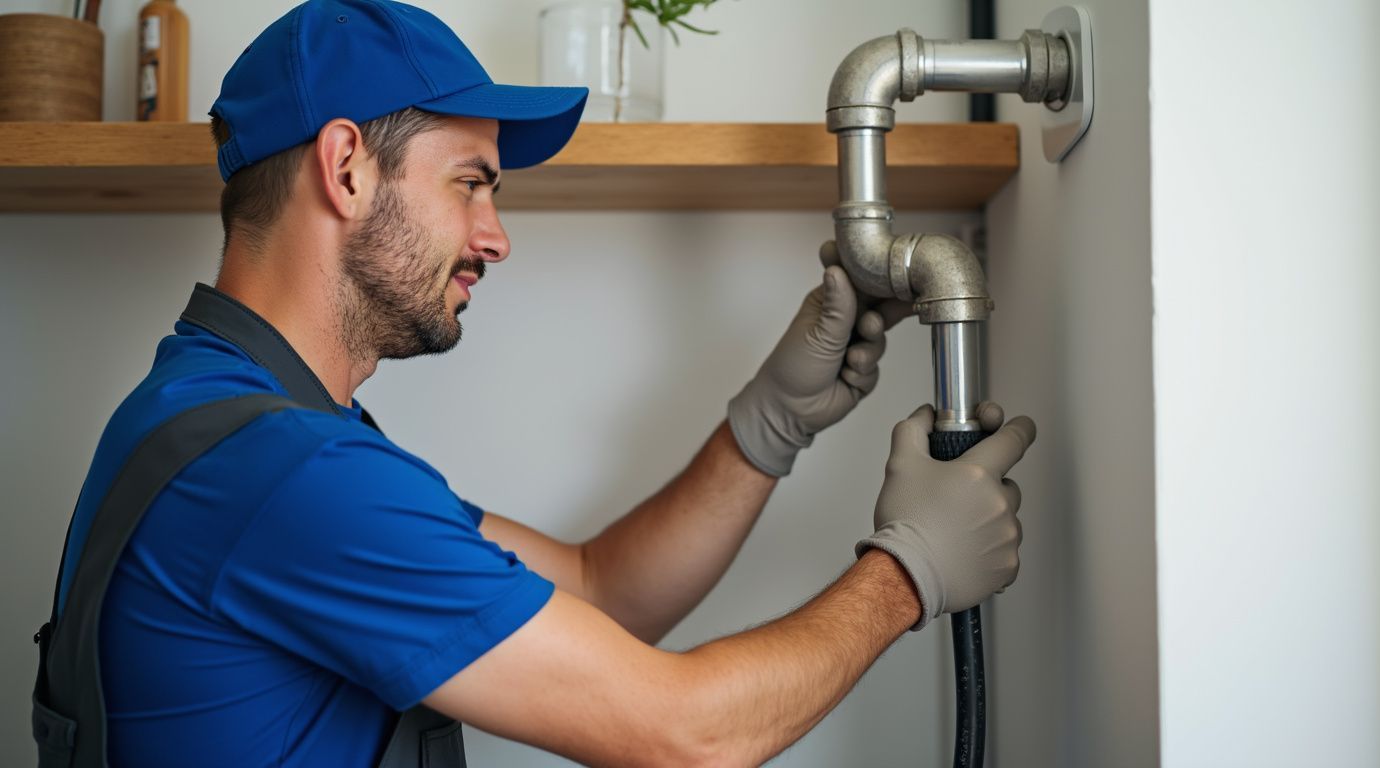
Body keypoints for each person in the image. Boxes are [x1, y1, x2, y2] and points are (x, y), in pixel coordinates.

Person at [33, 1, 1035, 766]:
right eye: (470, 181)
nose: (495, 239)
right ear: (346, 169)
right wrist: (907, 574)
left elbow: (599, 591)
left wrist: (766, 425)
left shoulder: (234, 420)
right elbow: (683, 736)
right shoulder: (285, 476)